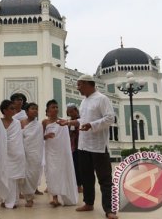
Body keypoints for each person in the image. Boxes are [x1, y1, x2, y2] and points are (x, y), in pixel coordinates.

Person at [59, 75, 117, 219]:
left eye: (79, 85)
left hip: (98, 146)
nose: (77, 88)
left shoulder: (102, 99)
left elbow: (110, 118)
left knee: (104, 179)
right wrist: (69, 123)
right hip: (83, 146)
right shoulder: (84, 102)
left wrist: (92, 125)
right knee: (86, 177)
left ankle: (109, 210)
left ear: (87, 84)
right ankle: (88, 203)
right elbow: (82, 121)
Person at [43, 99, 78, 207]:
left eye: (56, 107)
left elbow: (67, 139)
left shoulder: (63, 122)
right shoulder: (45, 122)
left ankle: (63, 195)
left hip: (61, 153)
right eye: (53, 107)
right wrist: (46, 136)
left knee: (61, 173)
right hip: (50, 152)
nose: (55, 109)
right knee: (52, 173)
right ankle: (54, 198)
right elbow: (40, 137)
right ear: (48, 110)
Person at [0, 100, 26, 209]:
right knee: (4, 178)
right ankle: (3, 199)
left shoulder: (17, 123)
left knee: (13, 178)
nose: (14, 110)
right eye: (11, 108)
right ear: (4, 110)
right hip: (3, 154)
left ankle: (12, 201)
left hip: (15, 154)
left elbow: (18, 139)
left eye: (14, 108)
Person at [20, 103, 44, 207]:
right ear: (26, 111)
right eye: (33, 109)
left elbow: (39, 138)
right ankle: (28, 198)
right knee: (24, 175)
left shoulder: (38, 124)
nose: (35, 111)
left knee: (33, 174)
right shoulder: (21, 123)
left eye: (36, 109)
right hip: (24, 152)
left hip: (35, 153)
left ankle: (31, 194)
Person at [66, 103, 83, 193]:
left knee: (81, 167)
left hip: (81, 146)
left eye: (72, 112)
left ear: (76, 110)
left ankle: (80, 185)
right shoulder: (69, 122)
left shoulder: (81, 120)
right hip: (72, 148)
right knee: (75, 167)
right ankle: (76, 185)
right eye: (69, 113)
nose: (71, 114)